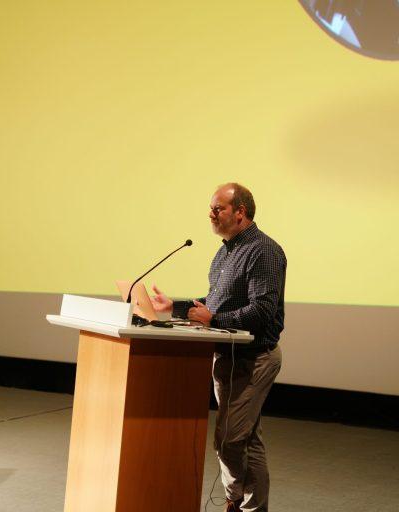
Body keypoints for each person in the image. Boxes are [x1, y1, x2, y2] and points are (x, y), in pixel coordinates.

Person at [150, 183, 286, 512]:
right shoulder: (225, 251)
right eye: (211, 208)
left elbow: (263, 311)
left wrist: (214, 317)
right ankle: (246, 505)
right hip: (225, 355)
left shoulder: (263, 251)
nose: (211, 214)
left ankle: (236, 500)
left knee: (229, 438)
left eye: (219, 208)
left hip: (255, 359)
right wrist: (175, 307)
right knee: (245, 440)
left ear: (241, 212)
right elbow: (214, 303)